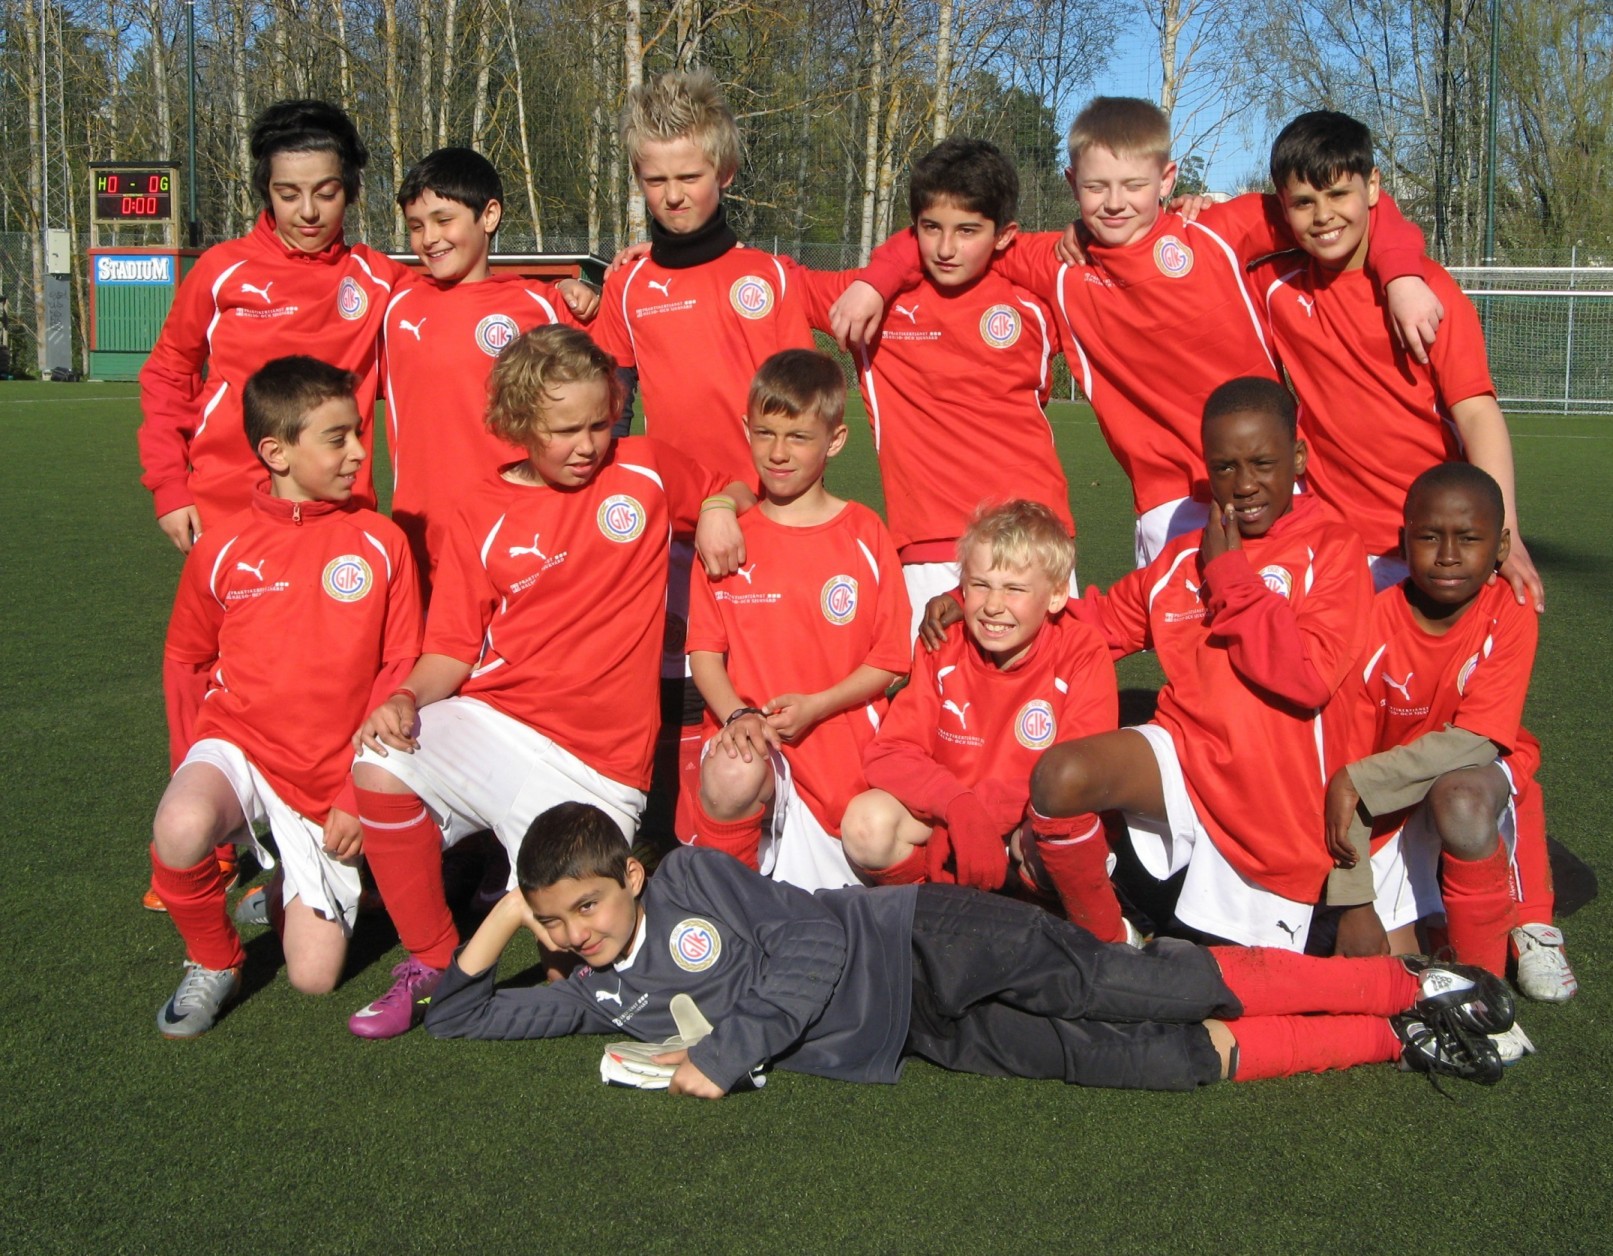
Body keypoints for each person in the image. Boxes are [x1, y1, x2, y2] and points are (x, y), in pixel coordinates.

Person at [424, 801, 1527, 1094]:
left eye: (585, 905)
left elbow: (807, 950)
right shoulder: (599, 991)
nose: (577, 933)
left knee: (1121, 985)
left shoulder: (687, 882)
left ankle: (1403, 979)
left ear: (627, 875)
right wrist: (509, 921)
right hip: (915, 1033)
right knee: (1134, 1061)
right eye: (556, 920)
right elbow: (460, 1018)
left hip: (918, 938)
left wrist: (723, 1052)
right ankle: (1396, 1039)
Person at [343, 326, 754, 1039]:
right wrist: (404, 696)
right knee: (379, 763)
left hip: (601, 766)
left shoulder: (646, 469)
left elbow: (731, 486)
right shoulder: (479, 509)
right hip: (497, 723)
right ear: (519, 424)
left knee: (585, 971)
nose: (588, 445)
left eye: (599, 424)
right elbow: (450, 649)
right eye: (565, 431)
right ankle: (431, 959)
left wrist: (717, 507)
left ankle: (525, 888)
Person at [832, 96, 1440, 567]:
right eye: (1096, 187)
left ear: (1167, 179)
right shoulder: (1058, 265)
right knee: (1197, 662)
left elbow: (1347, 201)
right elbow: (955, 230)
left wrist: (1403, 274)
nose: (1115, 203)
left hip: (1272, 482)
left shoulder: (1217, 231)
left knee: (1295, 651)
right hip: (1168, 504)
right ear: (1072, 184)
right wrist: (874, 282)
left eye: (1134, 186)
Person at [137, 98, 406, 910]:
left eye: (326, 192)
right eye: (288, 193)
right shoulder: (222, 271)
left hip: (336, 526)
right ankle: (210, 843)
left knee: (333, 684)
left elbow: (460, 294)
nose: (307, 211)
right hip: (225, 516)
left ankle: (321, 837)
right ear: (265, 191)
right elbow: (168, 374)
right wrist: (170, 486)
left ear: (349, 190)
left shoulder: (375, 281)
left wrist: (580, 291)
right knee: (208, 672)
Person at [1024, 378, 1372, 951]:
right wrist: (989, 603)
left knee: (1232, 984)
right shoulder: (1183, 557)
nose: (1245, 484)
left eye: (1263, 463)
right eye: (1225, 467)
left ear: (1298, 458)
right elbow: (1097, 623)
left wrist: (1230, 575)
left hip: (1276, 811)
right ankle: (1107, 943)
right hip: (1183, 764)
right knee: (1061, 777)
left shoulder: (1332, 549)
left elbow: (1307, 677)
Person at [149, 356, 421, 1037]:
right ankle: (214, 960)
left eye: (358, 433)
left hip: (332, 775)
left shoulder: (382, 541)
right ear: (276, 452)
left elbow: (401, 669)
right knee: (180, 825)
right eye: (336, 438)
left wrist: (356, 793)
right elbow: (186, 659)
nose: (358, 452)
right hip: (239, 743)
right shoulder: (222, 549)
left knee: (313, 975)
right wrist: (188, 762)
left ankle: (280, 889)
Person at [1259, 110, 1543, 611]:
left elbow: (1477, 412)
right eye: (1304, 202)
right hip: (1330, 542)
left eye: (1338, 194)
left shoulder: (1429, 292)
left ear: (1373, 187)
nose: (1323, 215)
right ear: (1284, 206)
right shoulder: (1276, 286)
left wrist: (1507, 529)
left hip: (1427, 541)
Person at [1323, 463, 1576, 1000]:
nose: (1448, 555)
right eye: (1429, 537)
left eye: (1469, 538)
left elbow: (1480, 739)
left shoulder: (1510, 608)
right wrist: (1354, 900)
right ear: (1403, 540)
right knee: (1387, 962)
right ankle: (1453, 927)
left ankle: (1519, 942)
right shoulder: (1369, 625)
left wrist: (1361, 779)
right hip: (1394, 795)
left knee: (1462, 794)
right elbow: (1346, 768)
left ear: (1501, 546)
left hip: (1469, 776)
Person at [798, 138, 1071, 633]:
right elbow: (768, 281)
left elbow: (1110, 260)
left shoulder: (1036, 300)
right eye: (931, 229)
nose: (946, 249)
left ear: (1004, 235)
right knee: (936, 682)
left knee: (1050, 682)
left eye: (967, 231)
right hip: (930, 547)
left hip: (1035, 538)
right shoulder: (870, 303)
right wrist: (669, 253)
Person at [841, 502, 1123, 938]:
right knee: (866, 823)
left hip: (1027, 820)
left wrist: (981, 818)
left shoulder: (1082, 652)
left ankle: (1064, 930)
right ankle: (937, 915)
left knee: (1042, 843)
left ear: (1055, 595)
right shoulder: (942, 644)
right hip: (957, 815)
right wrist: (957, 809)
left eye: (1014, 589)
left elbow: (1077, 774)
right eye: (979, 585)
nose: (993, 605)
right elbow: (890, 752)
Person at [685, 349, 910, 890]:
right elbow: (704, 654)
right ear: (746, 430)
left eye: (799, 437)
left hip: (842, 748)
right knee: (732, 771)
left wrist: (818, 705)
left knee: (869, 852)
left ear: (835, 440)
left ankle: (918, 909)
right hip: (754, 742)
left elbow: (889, 661)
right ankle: (729, 907)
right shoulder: (727, 539)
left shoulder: (864, 533)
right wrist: (739, 715)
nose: (778, 453)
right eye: (765, 434)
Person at [383, 146, 599, 595]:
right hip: (424, 537)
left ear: (490, 215)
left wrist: (580, 289)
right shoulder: (394, 305)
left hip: (522, 532)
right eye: (416, 226)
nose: (429, 238)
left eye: (444, 220)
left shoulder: (543, 306)